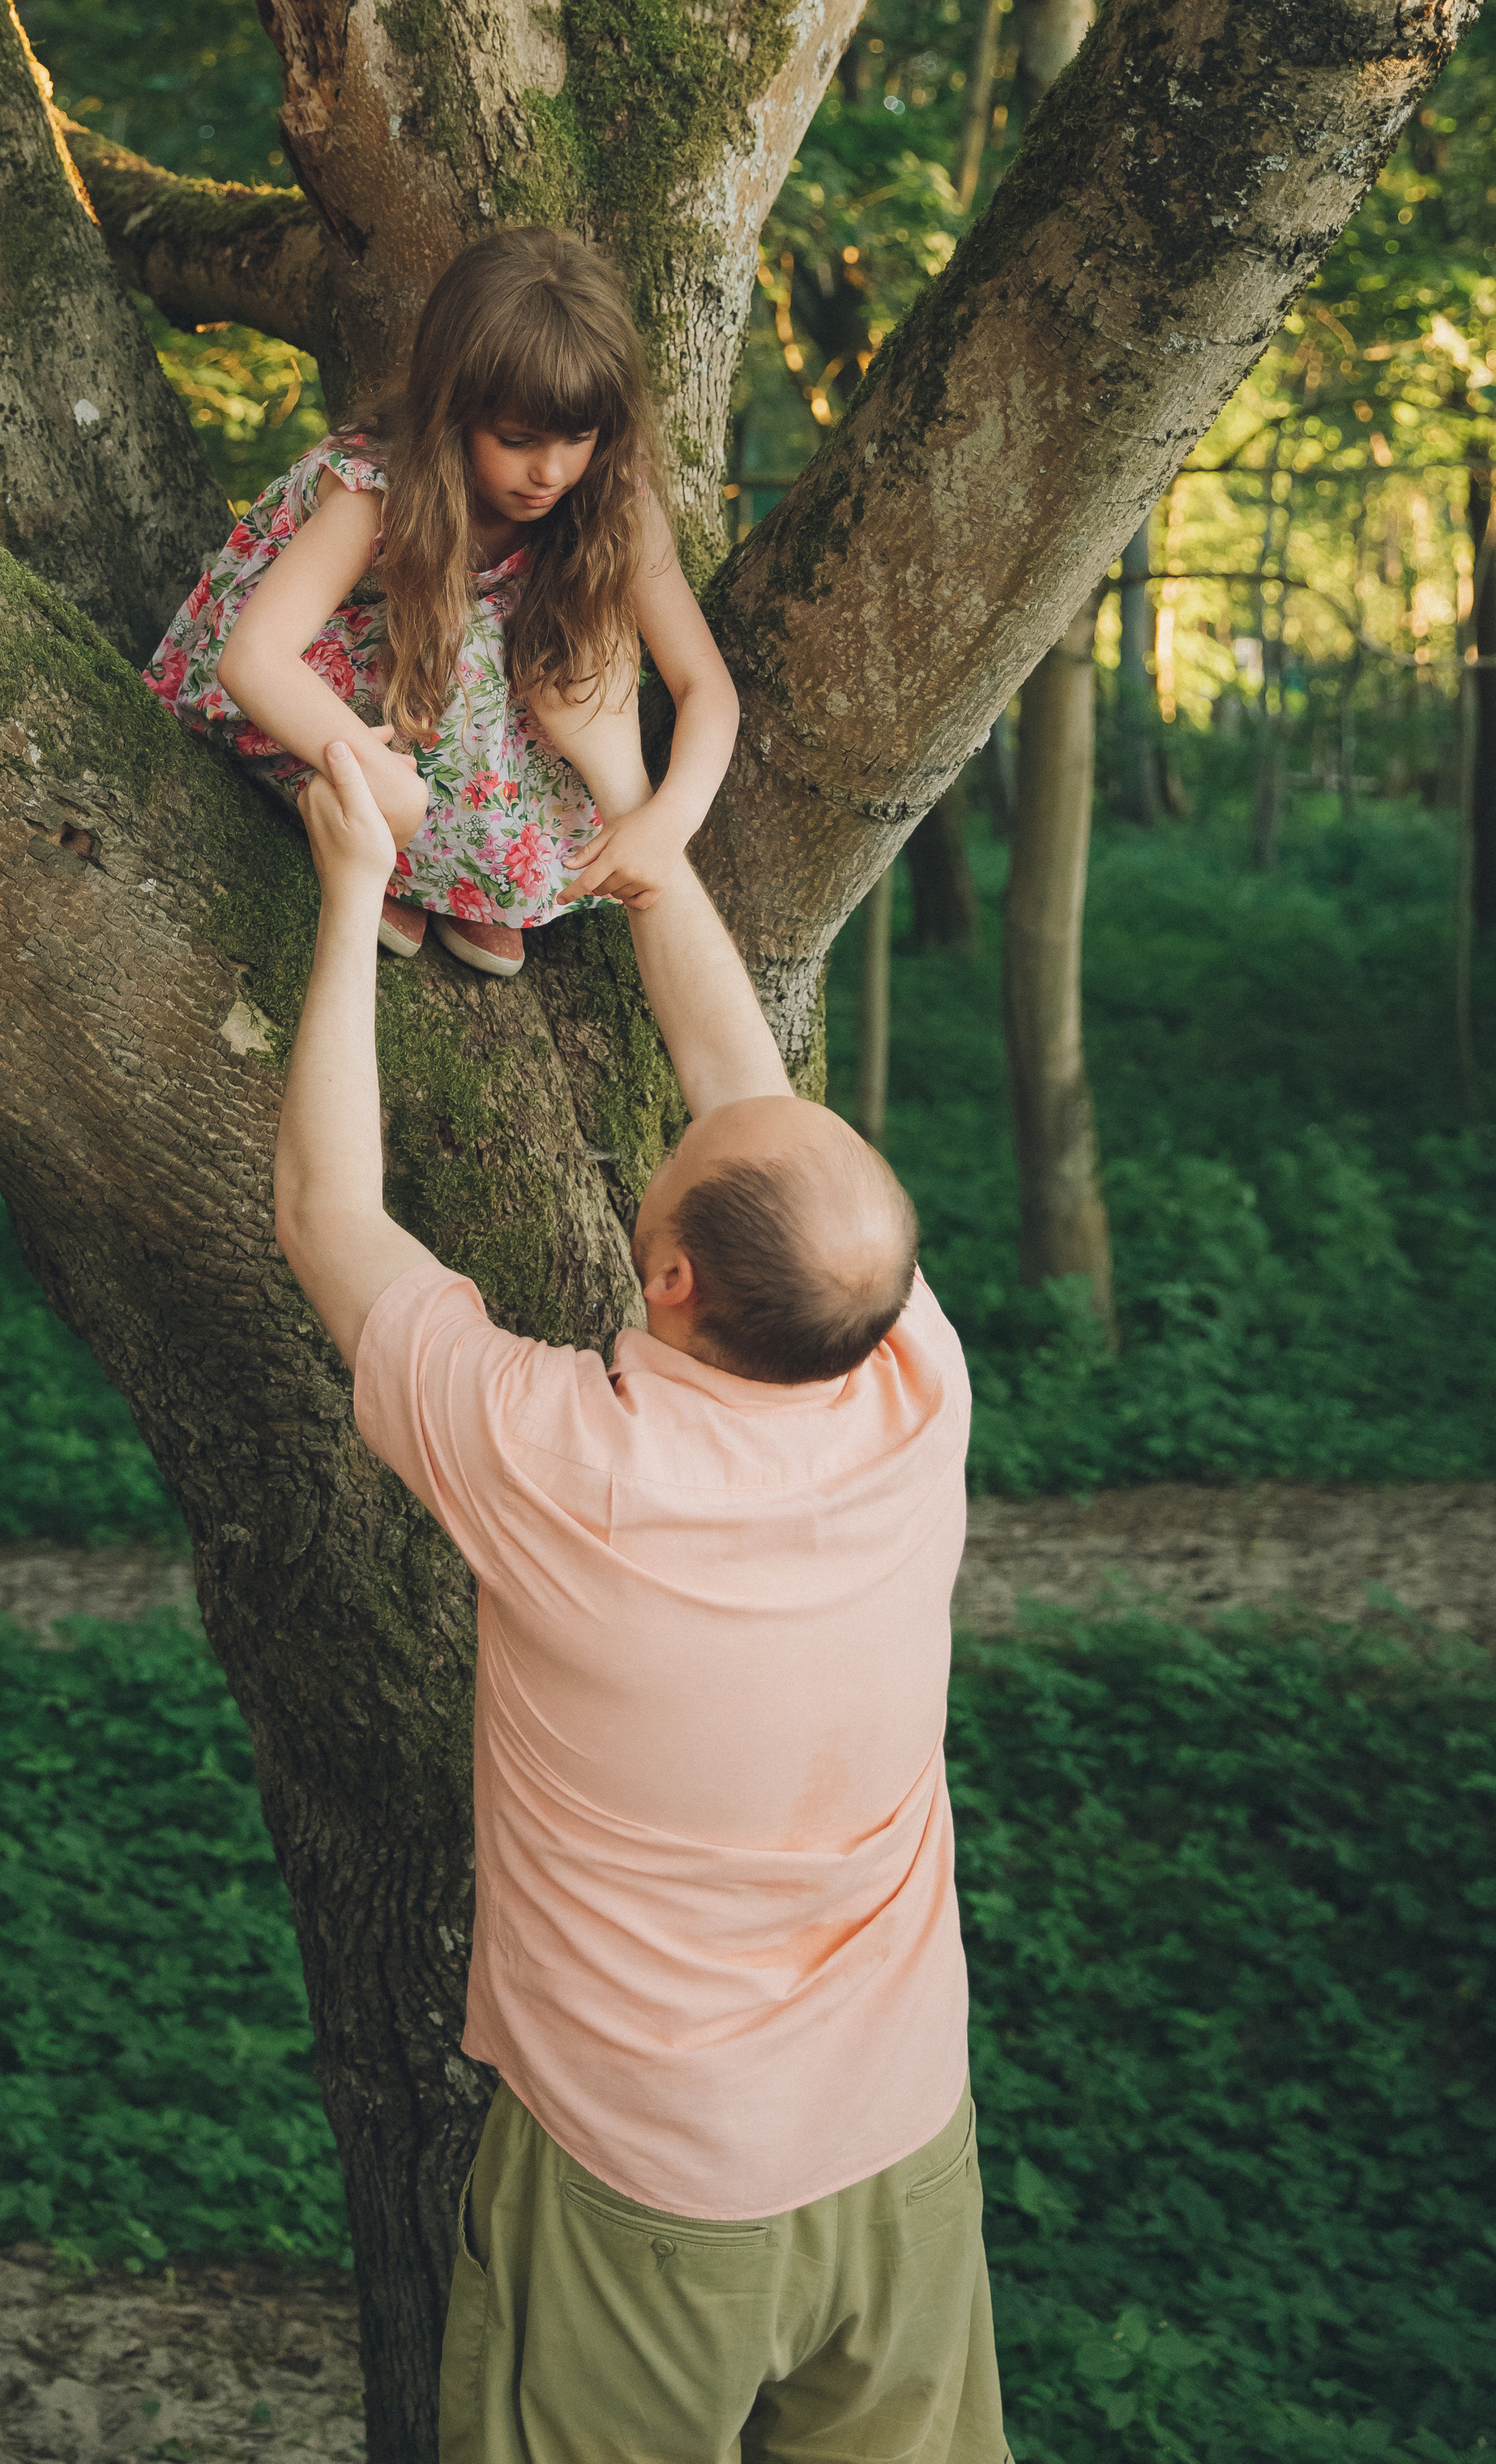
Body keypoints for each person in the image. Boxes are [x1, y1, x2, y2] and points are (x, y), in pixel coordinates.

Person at [273, 740, 1010, 2464]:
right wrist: (652, 854)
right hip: (899, 2143)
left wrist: (343, 895)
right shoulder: (913, 1380)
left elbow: (326, 1212)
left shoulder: (565, 1471)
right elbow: (743, 1090)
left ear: (665, 1283)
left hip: (649, 2180)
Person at [143, 227, 737, 977]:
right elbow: (255, 659)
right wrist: (369, 764)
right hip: (317, 690)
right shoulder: (376, 492)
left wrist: (667, 822)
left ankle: (446, 873)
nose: (549, 471)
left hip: (443, 697)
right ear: (455, 412)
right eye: (518, 439)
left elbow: (703, 685)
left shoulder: (610, 498)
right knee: (434, 722)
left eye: (577, 438)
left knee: (570, 650)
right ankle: (364, 834)